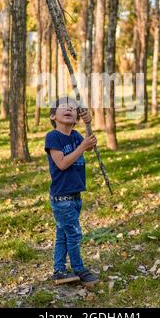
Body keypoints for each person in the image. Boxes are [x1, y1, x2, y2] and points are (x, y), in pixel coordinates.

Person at [44, 96, 100, 286]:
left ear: (76, 117)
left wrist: (88, 126)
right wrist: (83, 147)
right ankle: (79, 268)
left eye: (73, 108)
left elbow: (90, 148)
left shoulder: (76, 135)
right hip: (62, 197)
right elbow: (61, 164)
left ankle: (59, 270)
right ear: (53, 116)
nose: (69, 109)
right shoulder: (53, 137)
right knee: (74, 234)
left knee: (63, 233)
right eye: (63, 107)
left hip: (75, 195)